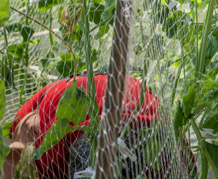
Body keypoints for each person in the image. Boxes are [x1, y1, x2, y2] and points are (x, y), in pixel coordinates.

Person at [3, 73, 193, 179]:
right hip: (170, 146)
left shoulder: (40, 125)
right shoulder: (58, 98)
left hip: (117, 131)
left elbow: (20, 148)